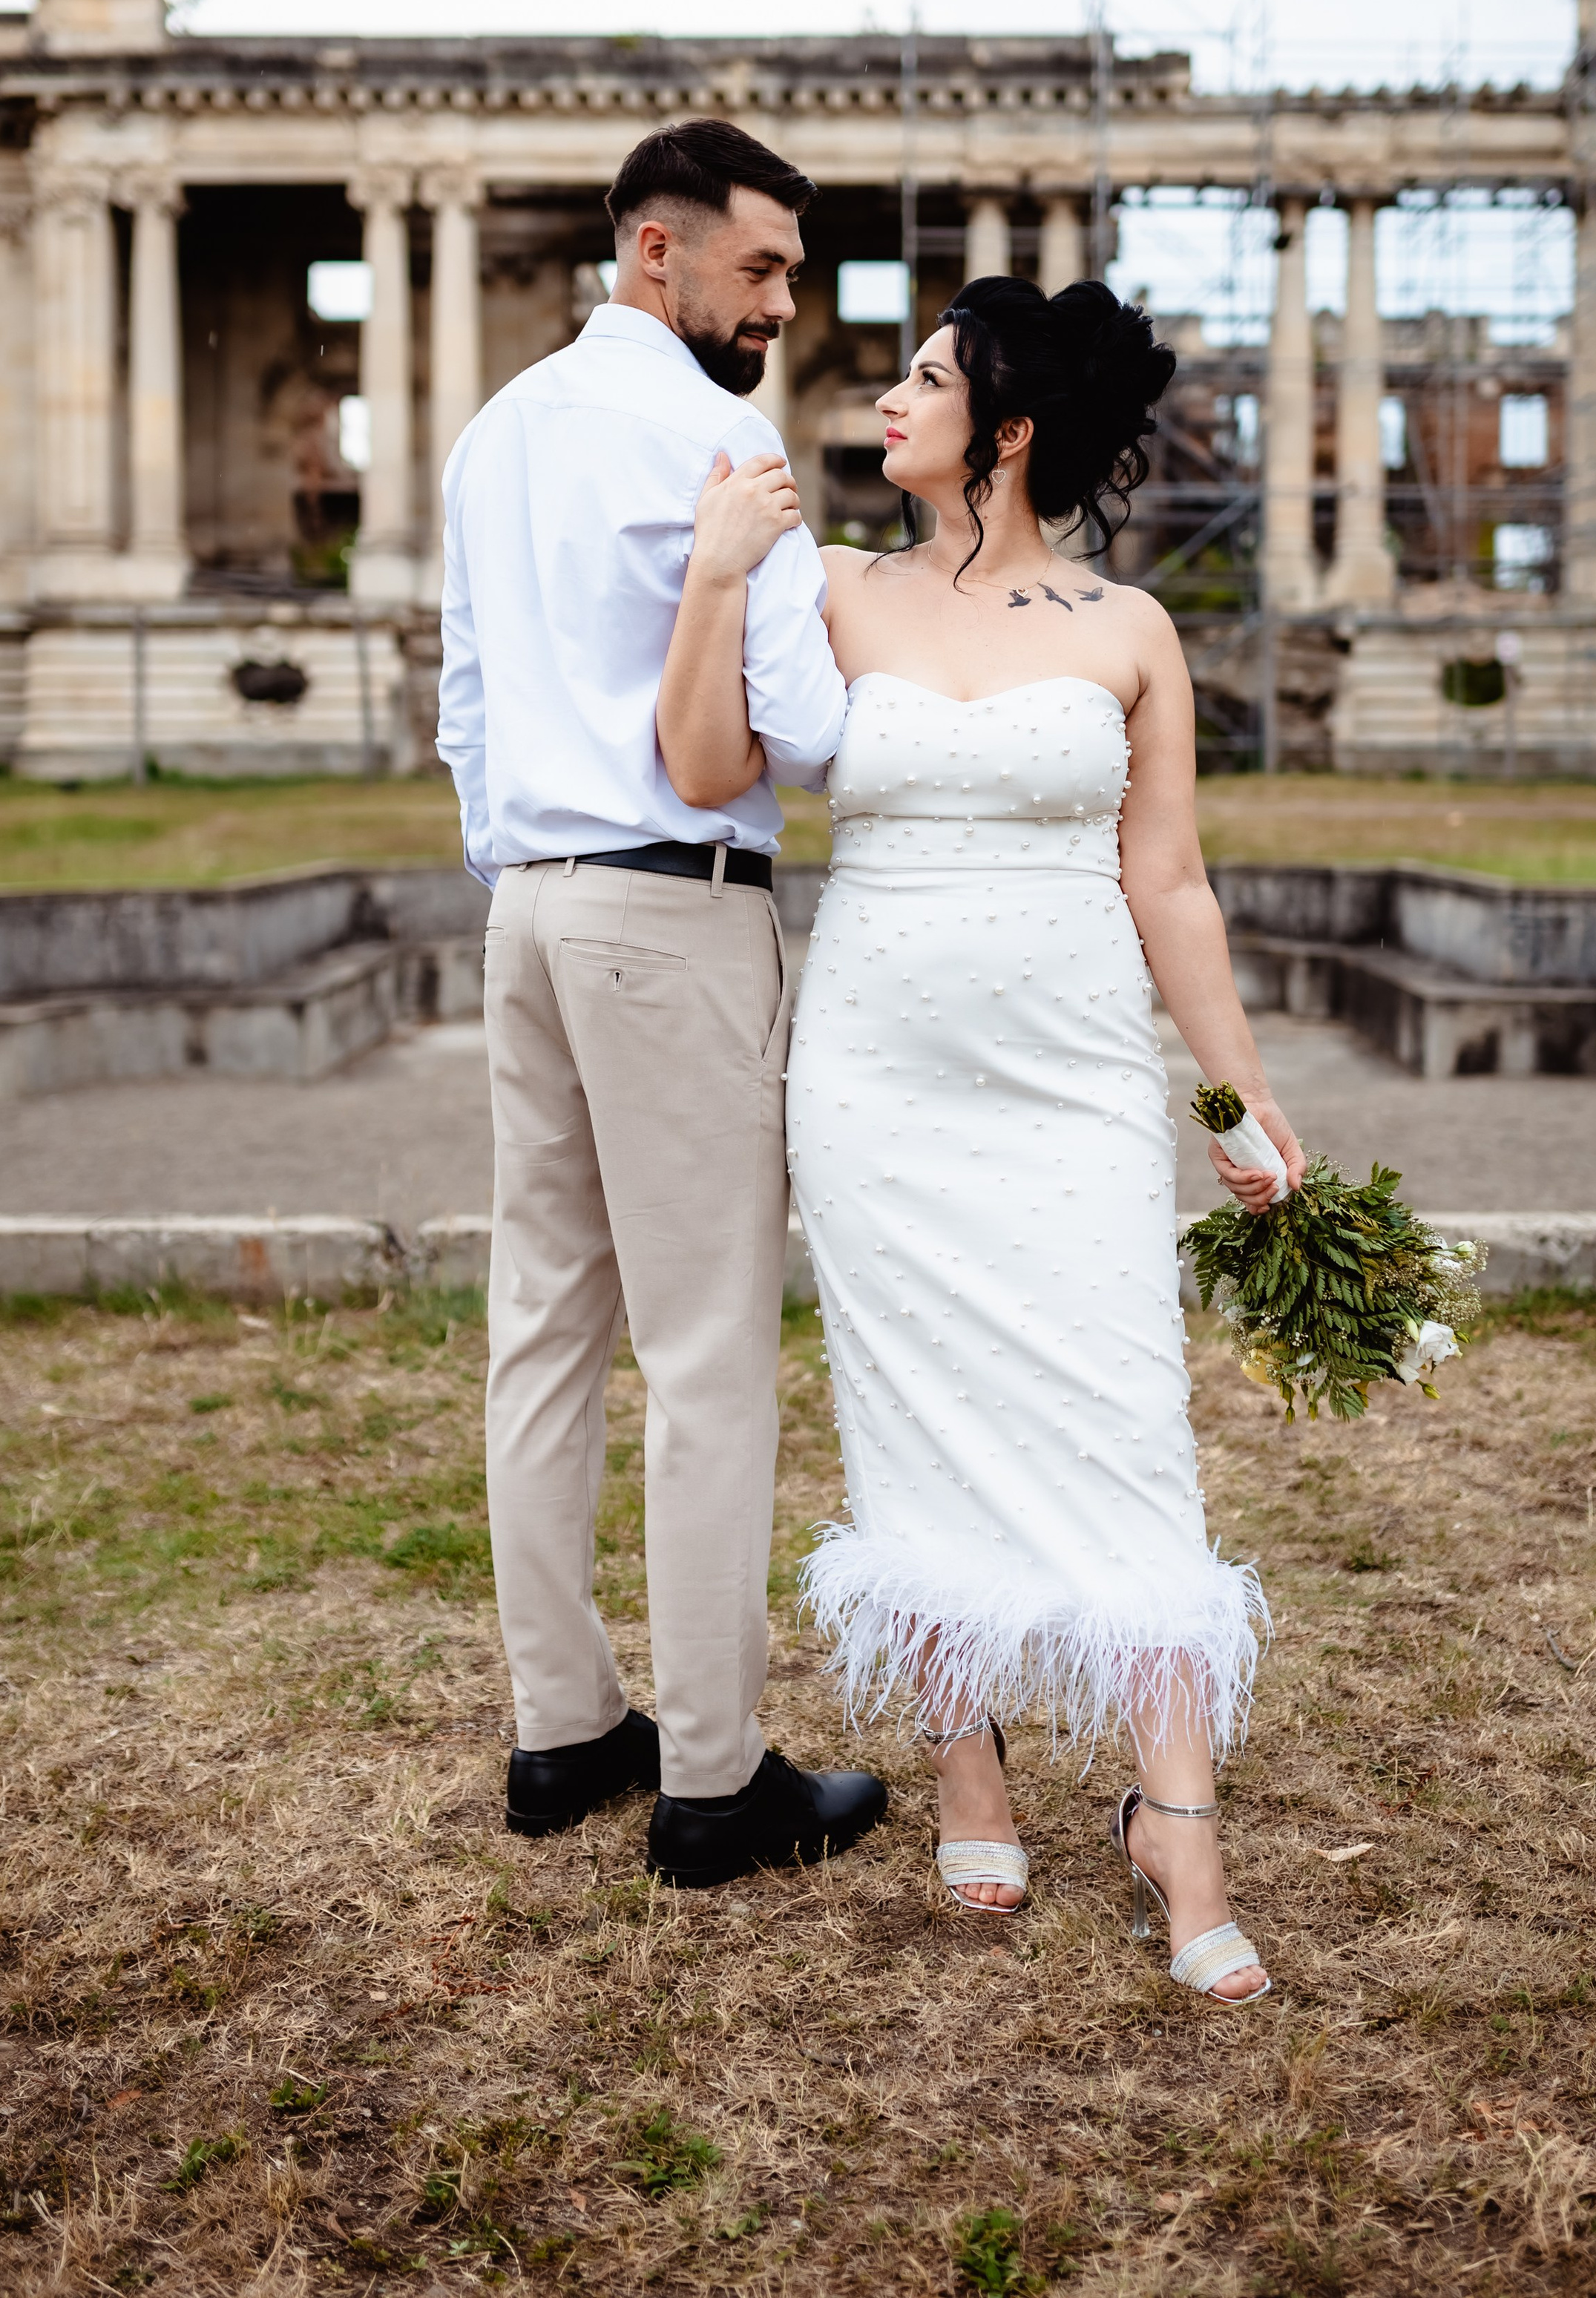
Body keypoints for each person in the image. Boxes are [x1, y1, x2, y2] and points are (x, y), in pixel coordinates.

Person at [656, 274, 1302, 1999]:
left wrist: (1231, 1098)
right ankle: (967, 1761)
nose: (886, 398)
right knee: (911, 1400)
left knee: (1121, 1418)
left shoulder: (1128, 630)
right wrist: (720, 578)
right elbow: (710, 759)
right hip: (874, 1077)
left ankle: (1180, 1818)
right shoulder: (831, 587)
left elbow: (1167, 883)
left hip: (1072, 1077)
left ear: (1004, 432)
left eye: (925, 379)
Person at [436, 117, 887, 1889]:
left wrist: (518, 866)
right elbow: (805, 728)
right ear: (656, 251)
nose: (782, 305)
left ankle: (563, 1728)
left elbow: (467, 702)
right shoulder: (714, 437)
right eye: (760, 269)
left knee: (541, 1326)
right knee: (705, 1354)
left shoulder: (492, 433)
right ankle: (712, 1778)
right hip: (671, 908)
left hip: (529, 912)